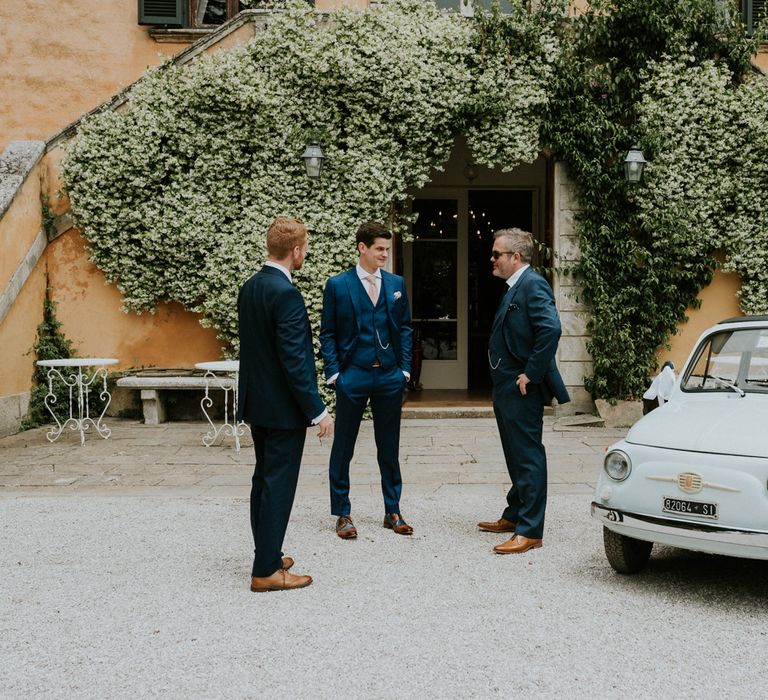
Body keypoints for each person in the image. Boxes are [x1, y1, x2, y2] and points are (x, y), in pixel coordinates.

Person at [237, 216, 334, 592]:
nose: (305, 253)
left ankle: (268, 553)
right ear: (296, 251)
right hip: (282, 409)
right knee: (277, 484)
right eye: (305, 247)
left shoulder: (250, 287)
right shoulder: (287, 295)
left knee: (263, 479)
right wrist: (318, 410)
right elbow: (294, 360)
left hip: (257, 404)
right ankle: (265, 571)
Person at [478, 228, 570, 554]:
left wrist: (530, 373)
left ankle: (530, 531)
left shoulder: (533, 284)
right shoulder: (514, 287)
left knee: (528, 457)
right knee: (514, 455)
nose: (492, 259)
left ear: (515, 257)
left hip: (521, 389)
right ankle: (515, 513)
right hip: (505, 386)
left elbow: (551, 328)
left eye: (497, 254)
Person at [320, 221, 413, 539]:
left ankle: (393, 510)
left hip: (389, 375)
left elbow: (404, 328)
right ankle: (342, 513)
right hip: (353, 375)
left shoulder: (396, 283)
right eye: (379, 249)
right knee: (343, 446)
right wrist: (335, 374)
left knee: (389, 446)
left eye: (387, 249)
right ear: (362, 247)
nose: (385, 254)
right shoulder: (338, 285)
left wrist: (404, 369)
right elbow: (328, 333)